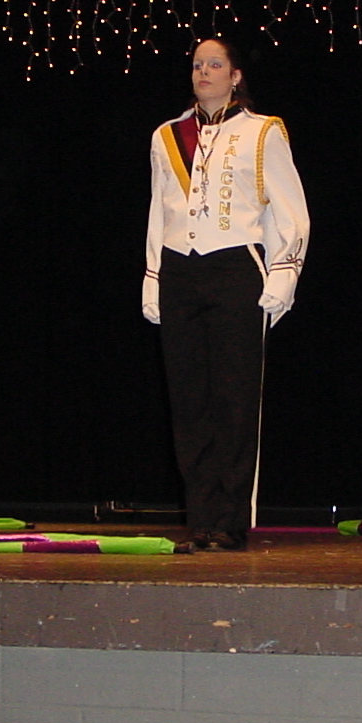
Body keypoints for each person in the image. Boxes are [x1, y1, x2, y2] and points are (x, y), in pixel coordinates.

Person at [143, 39, 310, 551]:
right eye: (197, 65)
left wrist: (283, 274)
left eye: (215, 64)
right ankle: (202, 517)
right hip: (179, 269)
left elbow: (290, 210)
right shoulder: (167, 135)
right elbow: (159, 211)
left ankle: (232, 520)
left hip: (236, 266)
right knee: (189, 402)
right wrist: (153, 275)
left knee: (234, 399)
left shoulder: (262, 132)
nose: (204, 72)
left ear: (235, 75)